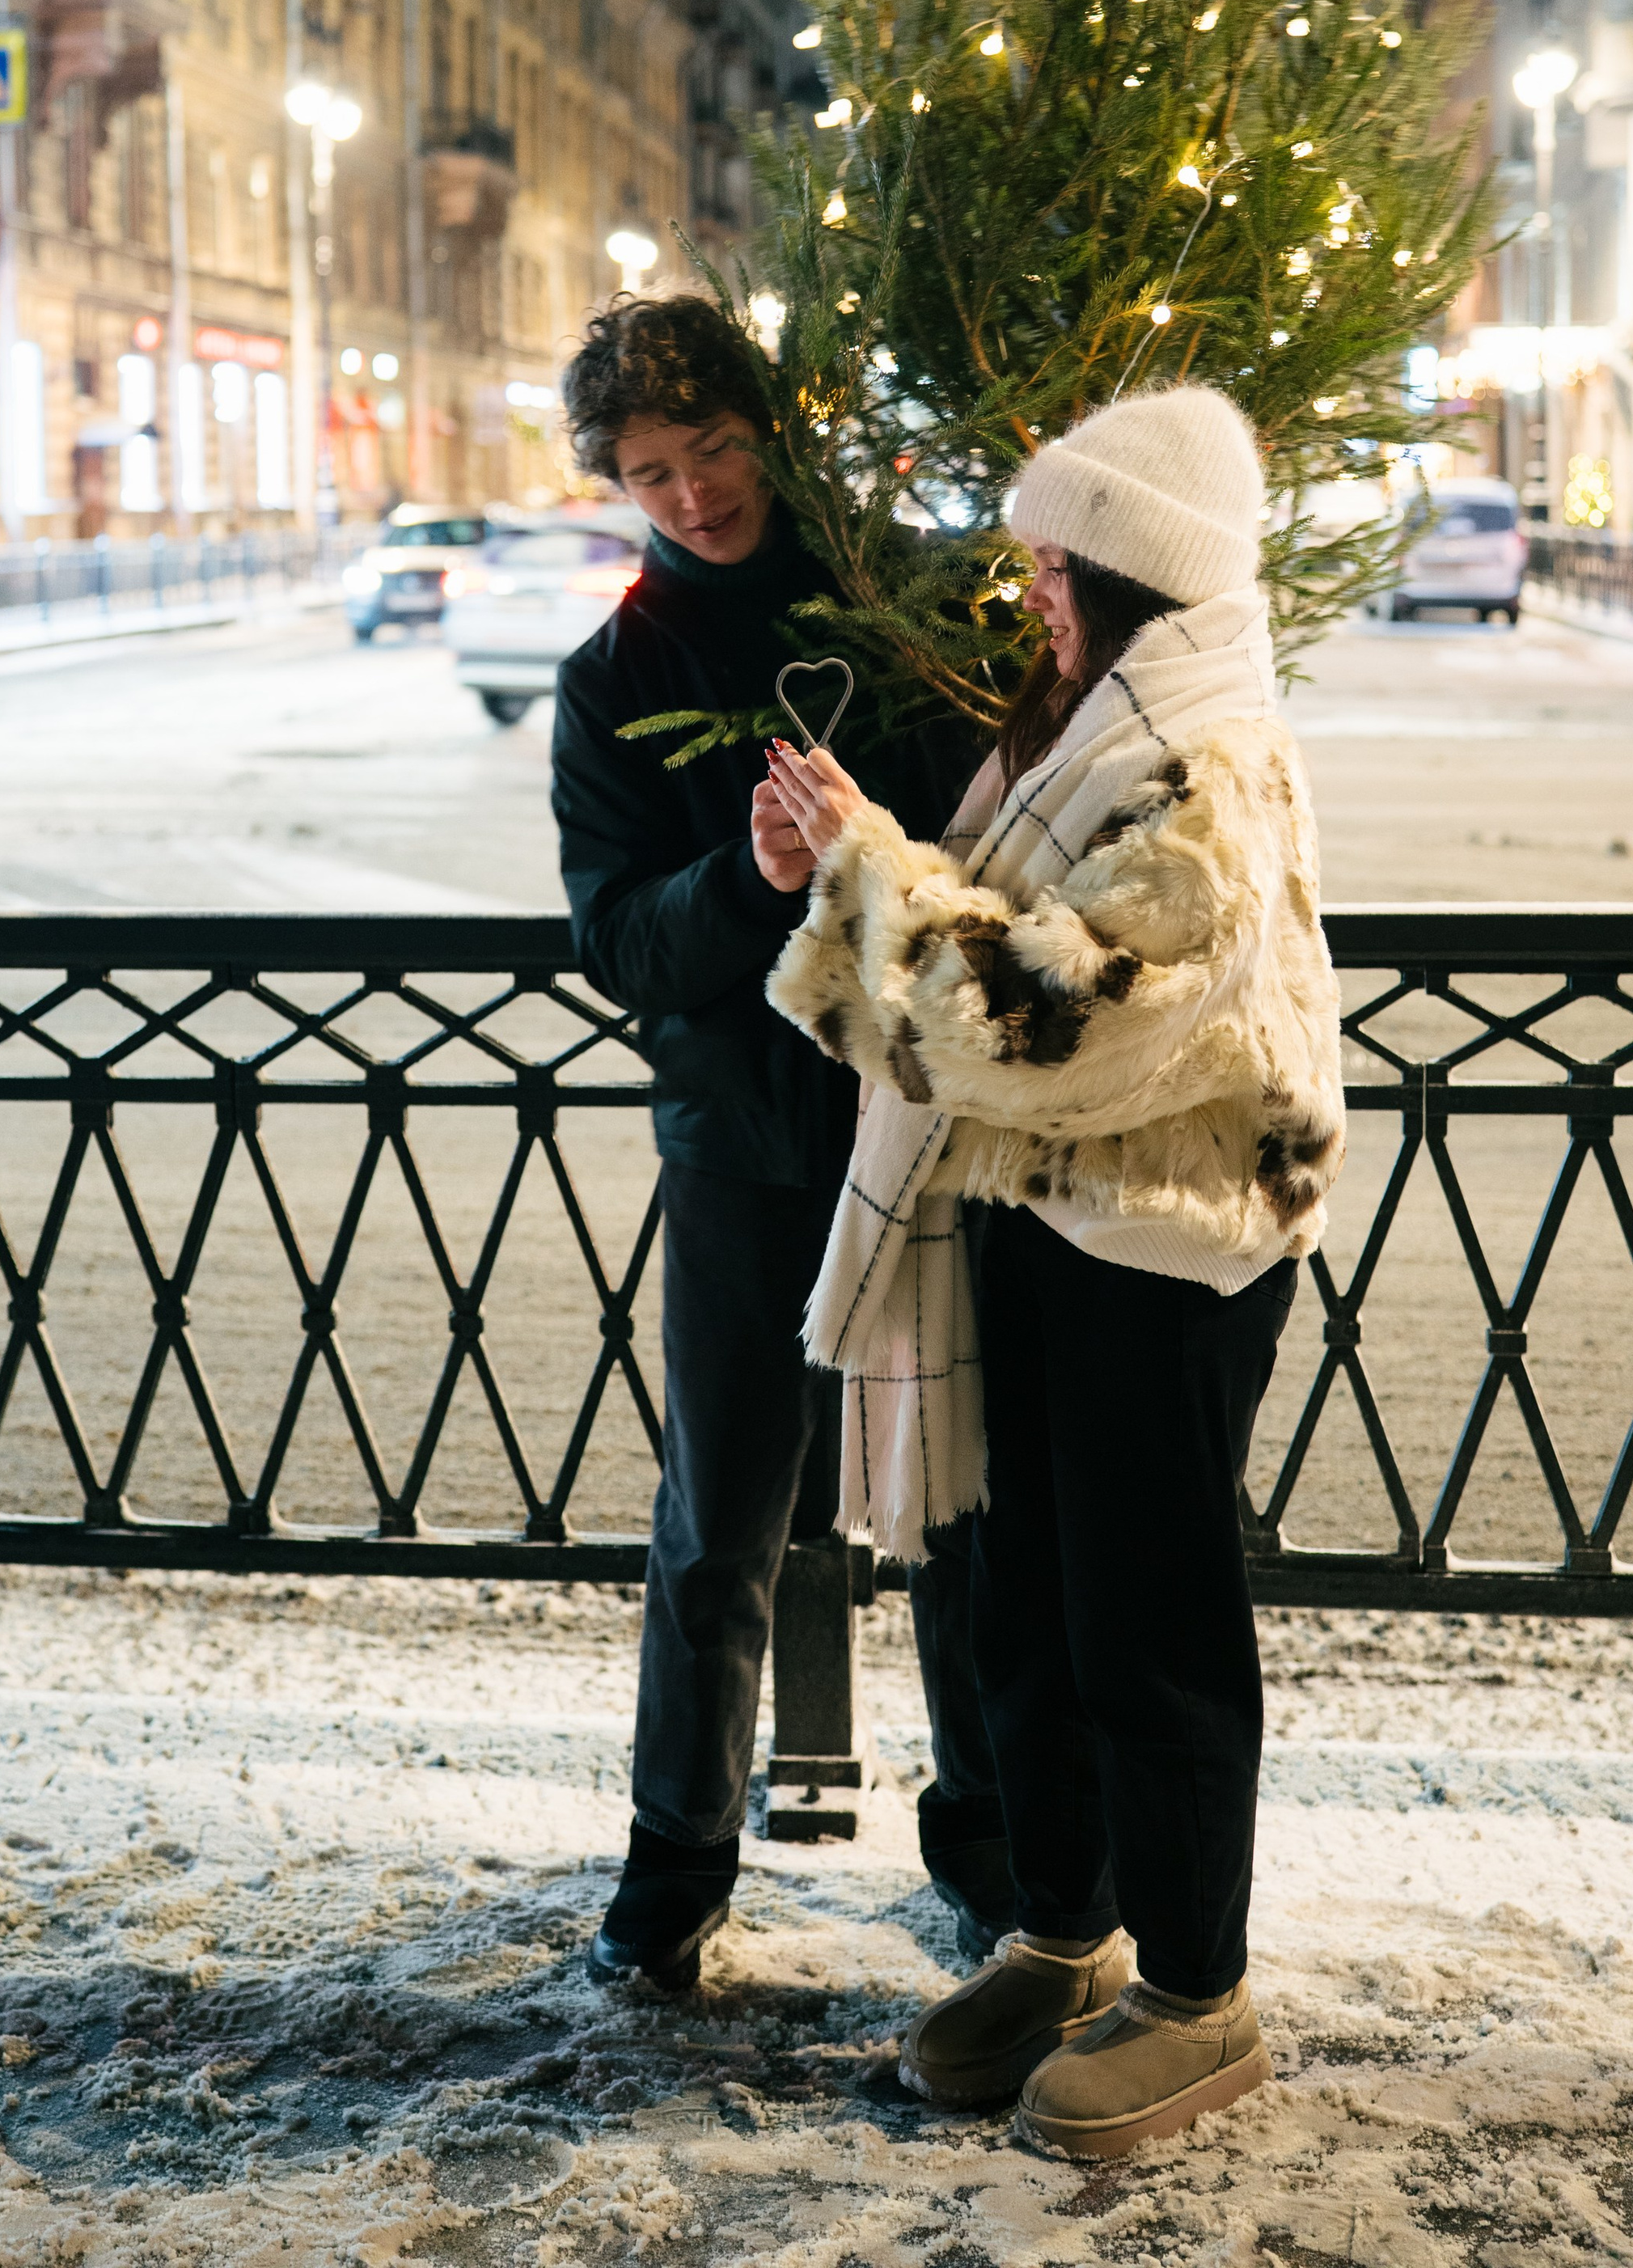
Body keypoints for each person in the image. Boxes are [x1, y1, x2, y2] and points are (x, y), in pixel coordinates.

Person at [760, 384, 1345, 2160]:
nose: (1025, 570)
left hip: (1164, 1250)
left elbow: (1054, 1017)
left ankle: (1195, 1989)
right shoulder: (1091, 711)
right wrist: (850, 870)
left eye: (1052, 543)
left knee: (1147, 1627)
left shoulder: (1204, 759)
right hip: (1037, 1224)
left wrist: (869, 876)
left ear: (1126, 561)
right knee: (1023, 1603)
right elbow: (993, 957)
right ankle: (1063, 1936)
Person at [551, 293, 1008, 1990]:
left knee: (954, 1504)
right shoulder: (616, 676)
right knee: (719, 1518)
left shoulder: (904, 612)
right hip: (743, 1146)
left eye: (713, 449)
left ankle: (987, 1846)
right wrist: (742, 882)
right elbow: (611, 938)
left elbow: (993, 842)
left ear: (768, 427)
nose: (689, 496)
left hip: (931, 1122)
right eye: (649, 471)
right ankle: (673, 1867)